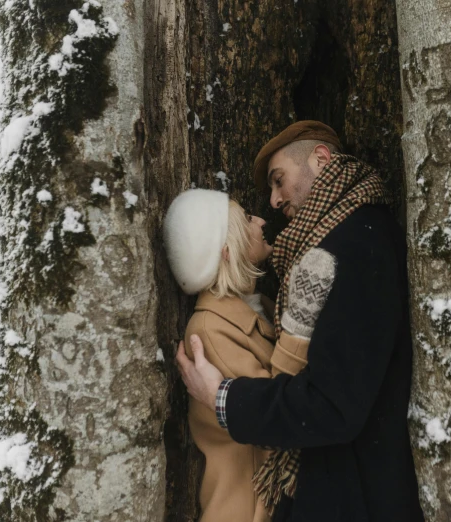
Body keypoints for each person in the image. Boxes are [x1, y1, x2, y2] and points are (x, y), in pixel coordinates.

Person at [176, 121, 425, 521]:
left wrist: (224, 397)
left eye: (280, 181)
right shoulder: (341, 241)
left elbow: (331, 405)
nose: (272, 204)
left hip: (357, 496)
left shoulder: (356, 244)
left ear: (321, 160)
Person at [163, 190, 326, 522]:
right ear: (227, 251)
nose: (261, 221)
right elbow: (276, 412)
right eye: (247, 220)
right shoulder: (209, 329)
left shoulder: (260, 307)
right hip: (247, 510)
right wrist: (300, 325)